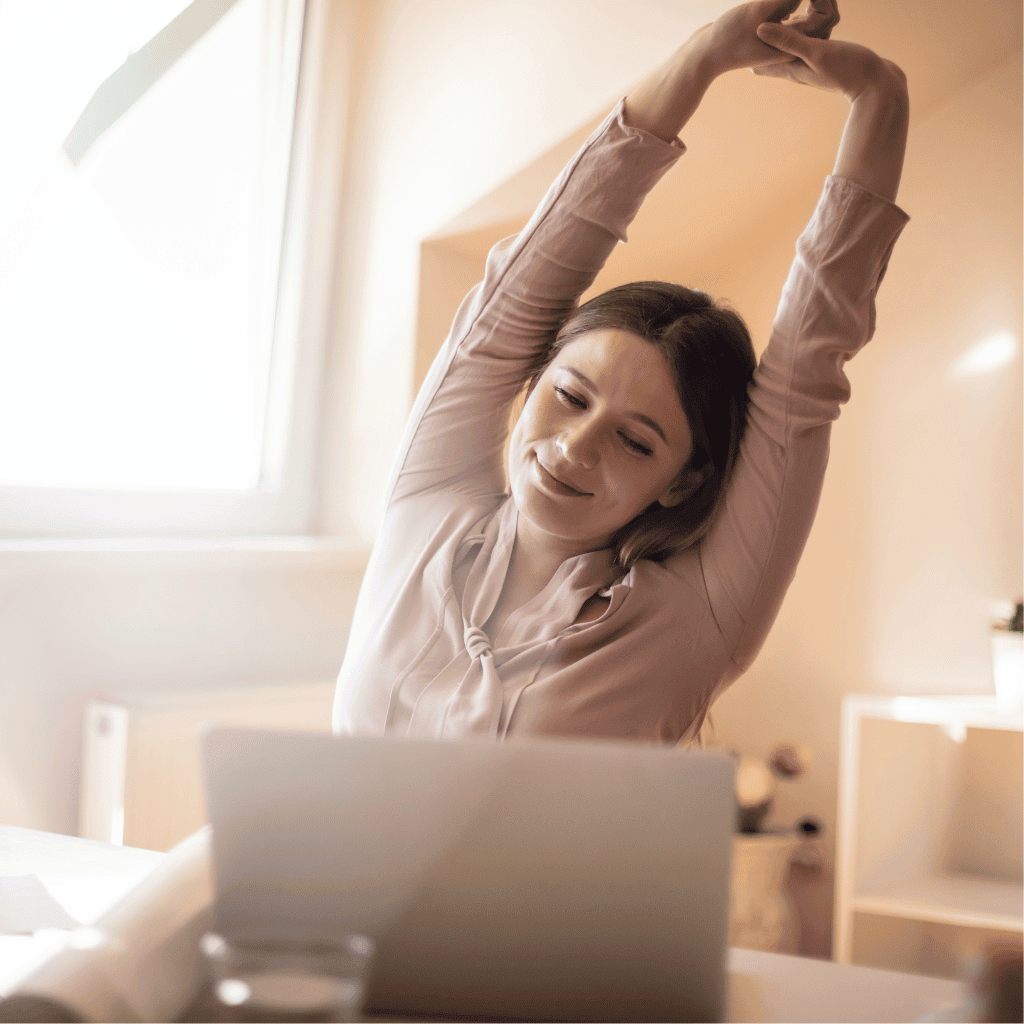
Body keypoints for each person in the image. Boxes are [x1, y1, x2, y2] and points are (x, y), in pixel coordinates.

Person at [332, 0, 910, 744]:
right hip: (329, 865)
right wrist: (700, 58)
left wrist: (880, 98)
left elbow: (807, 364)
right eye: (570, 396)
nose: (574, 448)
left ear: (682, 480)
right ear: (534, 379)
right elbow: (526, 284)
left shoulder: (698, 613)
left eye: (636, 442)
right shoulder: (429, 502)